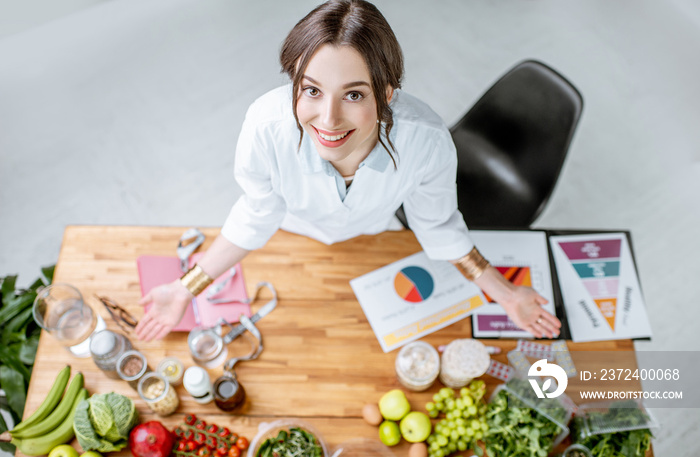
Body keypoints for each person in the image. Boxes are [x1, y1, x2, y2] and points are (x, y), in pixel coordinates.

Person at [134, 0, 561, 341]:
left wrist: (506, 295)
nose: (328, 119)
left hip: (374, 236)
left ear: (387, 93)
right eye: (312, 91)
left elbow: (437, 226)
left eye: (354, 95)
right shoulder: (265, 128)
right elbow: (256, 214)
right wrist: (182, 289)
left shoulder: (425, 142)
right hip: (296, 232)